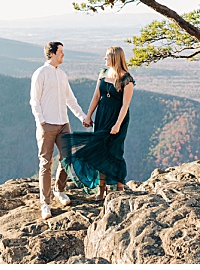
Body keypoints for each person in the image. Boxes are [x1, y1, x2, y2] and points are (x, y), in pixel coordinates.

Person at [63, 46, 136, 201]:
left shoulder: (126, 79)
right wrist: (88, 116)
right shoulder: (103, 73)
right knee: (100, 151)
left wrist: (117, 125)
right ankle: (101, 189)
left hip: (118, 118)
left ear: (115, 58)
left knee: (115, 151)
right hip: (102, 115)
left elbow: (125, 105)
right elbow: (96, 96)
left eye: (107, 56)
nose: (104, 59)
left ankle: (119, 186)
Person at [30, 41, 88, 220]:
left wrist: (82, 117)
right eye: (61, 52)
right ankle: (45, 204)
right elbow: (34, 101)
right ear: (52, 53)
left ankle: (59, 190)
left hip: (63, 123)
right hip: (47, 125)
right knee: (45, 163)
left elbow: (70, 99)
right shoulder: (40, 73)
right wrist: (41, 122)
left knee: (67, 159)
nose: (63, 55)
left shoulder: (62, 75)